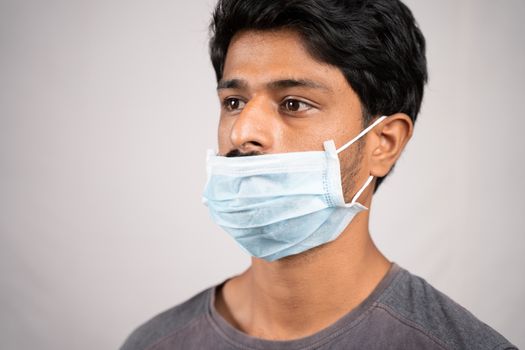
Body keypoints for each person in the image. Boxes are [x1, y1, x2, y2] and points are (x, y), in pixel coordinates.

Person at [121, 0, 516, 349]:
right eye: (234, 102)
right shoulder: (153, 342)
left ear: (384, 142)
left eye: (294, 103)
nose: (243, 132)